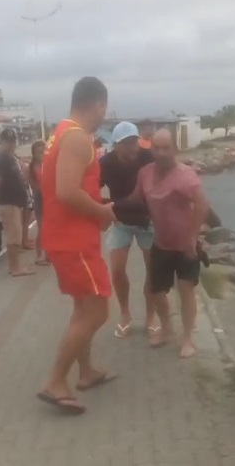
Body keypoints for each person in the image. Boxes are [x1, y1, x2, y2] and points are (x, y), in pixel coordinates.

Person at [37, 76, 117, 414]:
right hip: (75, 242)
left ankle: (86, 371)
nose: (104, 113)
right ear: (98, 103)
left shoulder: (60, 132)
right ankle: (56, 380)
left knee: (82, 308)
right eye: (104, 107)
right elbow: (67, 191)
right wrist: (101, 211)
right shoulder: (77, 139)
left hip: (65, 238)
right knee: (98, 309)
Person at [127, 128, 209, 358]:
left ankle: (187, 340)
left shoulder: (186, 175)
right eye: (157, 147)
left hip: (185, 246)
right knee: (155, 291)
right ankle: (167, 329)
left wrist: (193, 237)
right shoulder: (145, 173)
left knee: (186, 293)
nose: (161, 152)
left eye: (166, 148)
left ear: (175, 149)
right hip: (161, 242)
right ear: (151, 148)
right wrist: (108, 208)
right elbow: (135, 199)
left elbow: (202, 205)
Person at [99, 121, 158, 340]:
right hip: (120, 221)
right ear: (115, 145)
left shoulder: (147, 157)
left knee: (153, 271)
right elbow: (90, 188)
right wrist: (101, 210)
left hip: (147, 221)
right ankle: (125, 314)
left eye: (134, 142)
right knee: (117, 269)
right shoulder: (105, 163)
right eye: (126, 143)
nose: (132, 148)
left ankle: (151, 316)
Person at [0, 129, 35, 277]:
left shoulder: (11, 158)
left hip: (15, 202)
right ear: (1, 142)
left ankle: (16, 266)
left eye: (13, 141)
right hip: (8, 202)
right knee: (14, 237)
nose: (11, 144)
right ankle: (15, 268)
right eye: (8, 141)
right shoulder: (1, 159)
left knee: (15, 235)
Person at [28, 140, 49, 265]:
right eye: (39, 152)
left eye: (44, 151)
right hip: (40, 199)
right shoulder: (32, 167)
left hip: (49, 199)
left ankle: (48, 254)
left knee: (49, 228)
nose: (42, 154)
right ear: (34, 153)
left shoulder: (48, 164)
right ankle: (39, 255)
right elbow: (34, 185)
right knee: (42, 228)